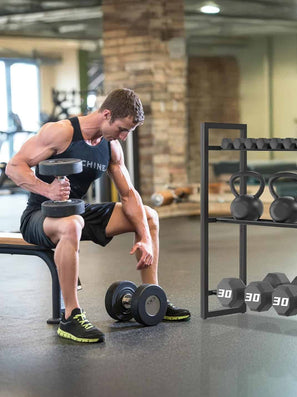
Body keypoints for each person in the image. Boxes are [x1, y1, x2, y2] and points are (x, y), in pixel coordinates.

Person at [6, 88, 191, 344]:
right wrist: (47, 189)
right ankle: (71, 317)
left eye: (129, 132)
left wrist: (145, 237)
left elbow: (128, 195)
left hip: (77, 211)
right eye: (122, 129)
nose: (124, 137)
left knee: (148, 216)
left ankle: (153, 296)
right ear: (106, 114)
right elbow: (14, 167)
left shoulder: (111, 146)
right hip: (40, 215)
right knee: (73, 223)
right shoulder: (61, 132)